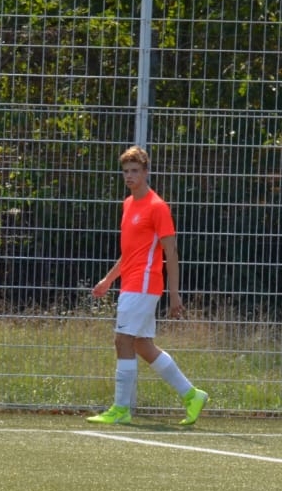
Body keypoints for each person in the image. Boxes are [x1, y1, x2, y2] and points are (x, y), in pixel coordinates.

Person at [86, 146, 208, 426]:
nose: (129, 176)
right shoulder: (128, 204)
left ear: (146, 172)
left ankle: (120, 408)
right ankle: (192, 395)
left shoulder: (157, 207)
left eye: (135, 171)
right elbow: (130, 252)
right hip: (130, 283)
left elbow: (171, 253)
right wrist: (108, 279)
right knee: (141, 344)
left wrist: (175, 295)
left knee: (122, 340)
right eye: (125, 171)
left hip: (144, 284)